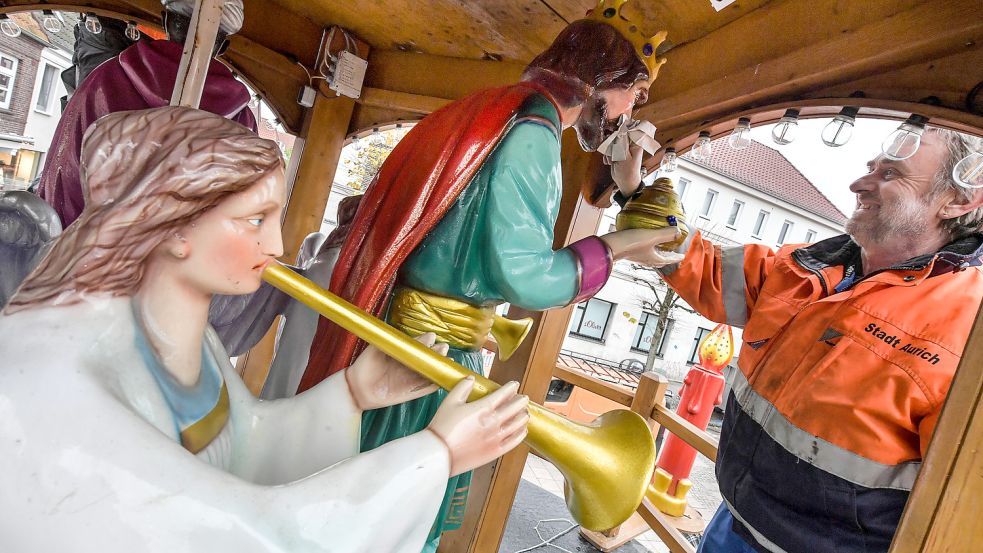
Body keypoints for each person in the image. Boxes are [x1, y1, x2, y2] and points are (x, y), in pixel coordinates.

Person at [0, 106, 528, 552]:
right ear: (175, 226)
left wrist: (349, 395)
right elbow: (241, 534)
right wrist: (432, 456)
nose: (275, 246)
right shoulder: (59, 379)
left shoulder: (190, 340)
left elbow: (244, 446)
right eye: (255, 220)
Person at [300, 2, 677, 549]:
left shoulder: (502, 111)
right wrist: (620, 246)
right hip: (435, 353)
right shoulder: (535, 131)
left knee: (375, 498)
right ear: (604, 77)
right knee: (401, 514)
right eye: (633, 96)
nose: (625, 114)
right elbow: (523, 276)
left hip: (413, 336)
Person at [637, 128, 983, 553]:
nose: (859, 185)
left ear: (960, 200)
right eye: (870, 168)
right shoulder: (812, 265)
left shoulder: (969, 333)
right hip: (734, 520)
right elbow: (708, 272)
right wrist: (639, 196)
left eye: (891, 174)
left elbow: (961, 510)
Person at [38, 0, 257, 228]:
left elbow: (65, 176)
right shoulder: (243, 121)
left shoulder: (103, 82)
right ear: (223, 47)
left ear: (166, 21)